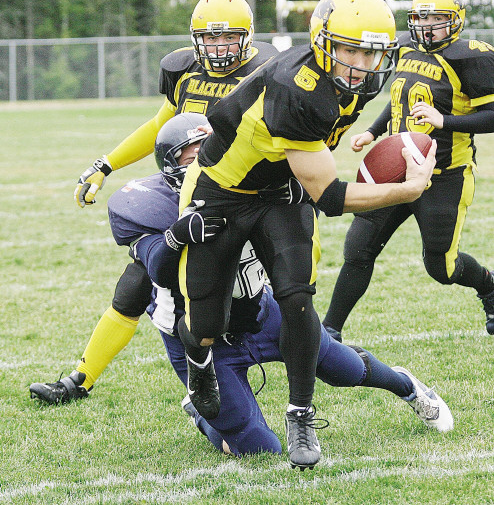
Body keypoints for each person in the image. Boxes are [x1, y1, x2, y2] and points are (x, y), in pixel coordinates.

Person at [30, 113, 453, 464]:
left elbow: (326, 199)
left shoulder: (257, 184)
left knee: (344, 369)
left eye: (209, 150)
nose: (204, 160)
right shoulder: (145, 204)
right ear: (170, 163)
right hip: (196, 335)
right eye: (192, 154)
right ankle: (202, 410)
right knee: (257, 449)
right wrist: (178, 235)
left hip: (260, 311)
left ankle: (410, 388)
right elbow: (155, 269)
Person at [174, 0, 437, 470]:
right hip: (225, 187)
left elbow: (312, 174)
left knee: (297, 297)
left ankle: (300, 413)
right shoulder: (302, 90)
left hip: (281, 188)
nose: (361, 64)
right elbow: (331, 197)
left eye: (371, 53)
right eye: (351, 50)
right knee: (207, 320)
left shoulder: (346, 84)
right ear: (323, 43)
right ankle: (200, 365)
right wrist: (406, 190)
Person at [34, 0, 278, 400]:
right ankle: (81, 379)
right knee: (136, 282)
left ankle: (311, 353)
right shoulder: (184, 72)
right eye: (210, 39)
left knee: (267, 289)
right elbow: (159, 127)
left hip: (245, 198)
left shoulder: (265, 73)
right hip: (189, 196)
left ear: (248, 37)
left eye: (228, 38)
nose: (219, 48)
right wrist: (106, 163)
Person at [322, 0, 494, 343]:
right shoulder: (407, 49)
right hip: (398, 171)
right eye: (421, 18)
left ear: (456, 20)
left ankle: (489, 287)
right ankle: (329, 332)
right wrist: (373, 130)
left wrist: (446, 121)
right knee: (358, 249)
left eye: (437, 19)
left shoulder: (471, 57)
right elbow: (400, 98)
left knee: (442, 268)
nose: (427, 26)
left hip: (444, 175)